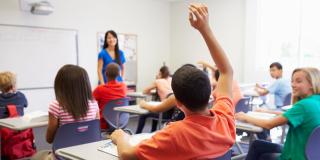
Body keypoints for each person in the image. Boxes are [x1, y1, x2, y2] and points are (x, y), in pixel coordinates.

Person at [108, 4, 235, 159]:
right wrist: (205, 28)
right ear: (209, 93)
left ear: (178, 102)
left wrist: (121, 137)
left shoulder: (174, 134)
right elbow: (226, 71)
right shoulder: (225, 118)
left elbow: (126, 154)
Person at [236, 67, 320, 160]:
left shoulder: (303, 105)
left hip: (297, 156)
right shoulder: (315, 101)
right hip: (312, 155)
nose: (292, 85)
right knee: (258, 144)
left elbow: (268, 125)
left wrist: (245, 116)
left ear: (312, 84)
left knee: (259, 152)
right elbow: (288, 115)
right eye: (292, 81)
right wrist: (266, 111)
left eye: (298, 81)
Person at [31, 65, 99, 160]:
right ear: (86, 84)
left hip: (62, 156)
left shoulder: (56, 106)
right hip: (86, 155)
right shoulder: (94, 104)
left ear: (60, 84)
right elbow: (95, 131)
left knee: (36, 157)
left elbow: (49, 139)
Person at [136, 66, 173, 133]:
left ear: (159, 73)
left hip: (165, 112)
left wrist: (157, 81)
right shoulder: (171, 79)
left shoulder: (158, 81)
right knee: (155, 109)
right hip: (173, 112)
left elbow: (145, 91)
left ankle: (137, 133)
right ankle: (153, 131)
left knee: (144, 114)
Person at [93, 63, 127, 130]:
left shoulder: (100, 89)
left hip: (104, 124)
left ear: (105, 74)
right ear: (119, 74)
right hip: (121, 122)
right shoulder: (124, 86)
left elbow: (88, 100)